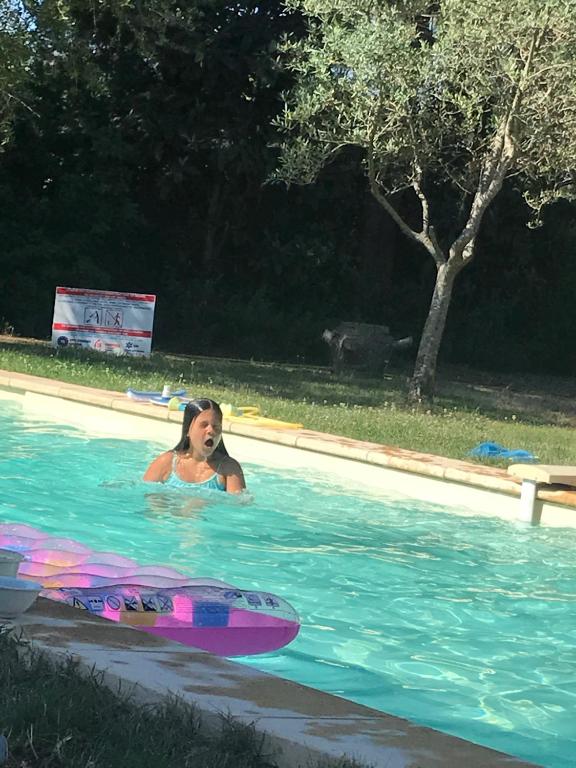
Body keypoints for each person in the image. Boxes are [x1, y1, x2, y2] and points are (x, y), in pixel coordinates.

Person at [143, 398, 246, 493]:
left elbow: (236, 509)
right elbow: (145, 497)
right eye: (204, 425)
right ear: (188, 430)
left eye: (216, 426)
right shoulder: (166, 462)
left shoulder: (229, 470)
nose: (211, 430)